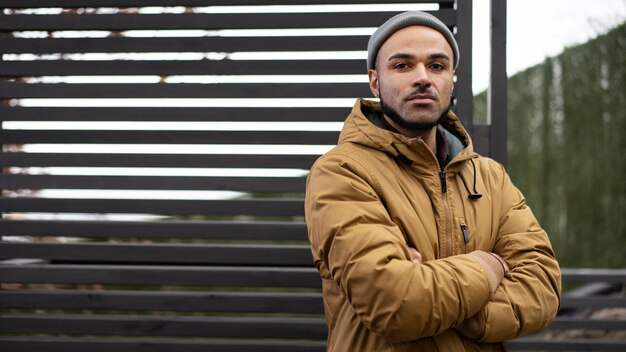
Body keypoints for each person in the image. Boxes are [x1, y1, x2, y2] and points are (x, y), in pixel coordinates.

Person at [304, 11, 561, 352]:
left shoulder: (490, 177)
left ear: (451, 80)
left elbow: (542, 287)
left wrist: (458, 308)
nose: (422, 77)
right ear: (375, 81)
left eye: (437, 66)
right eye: (403, 65)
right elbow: (396, 305)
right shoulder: (340, 172)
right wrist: (491, 265)